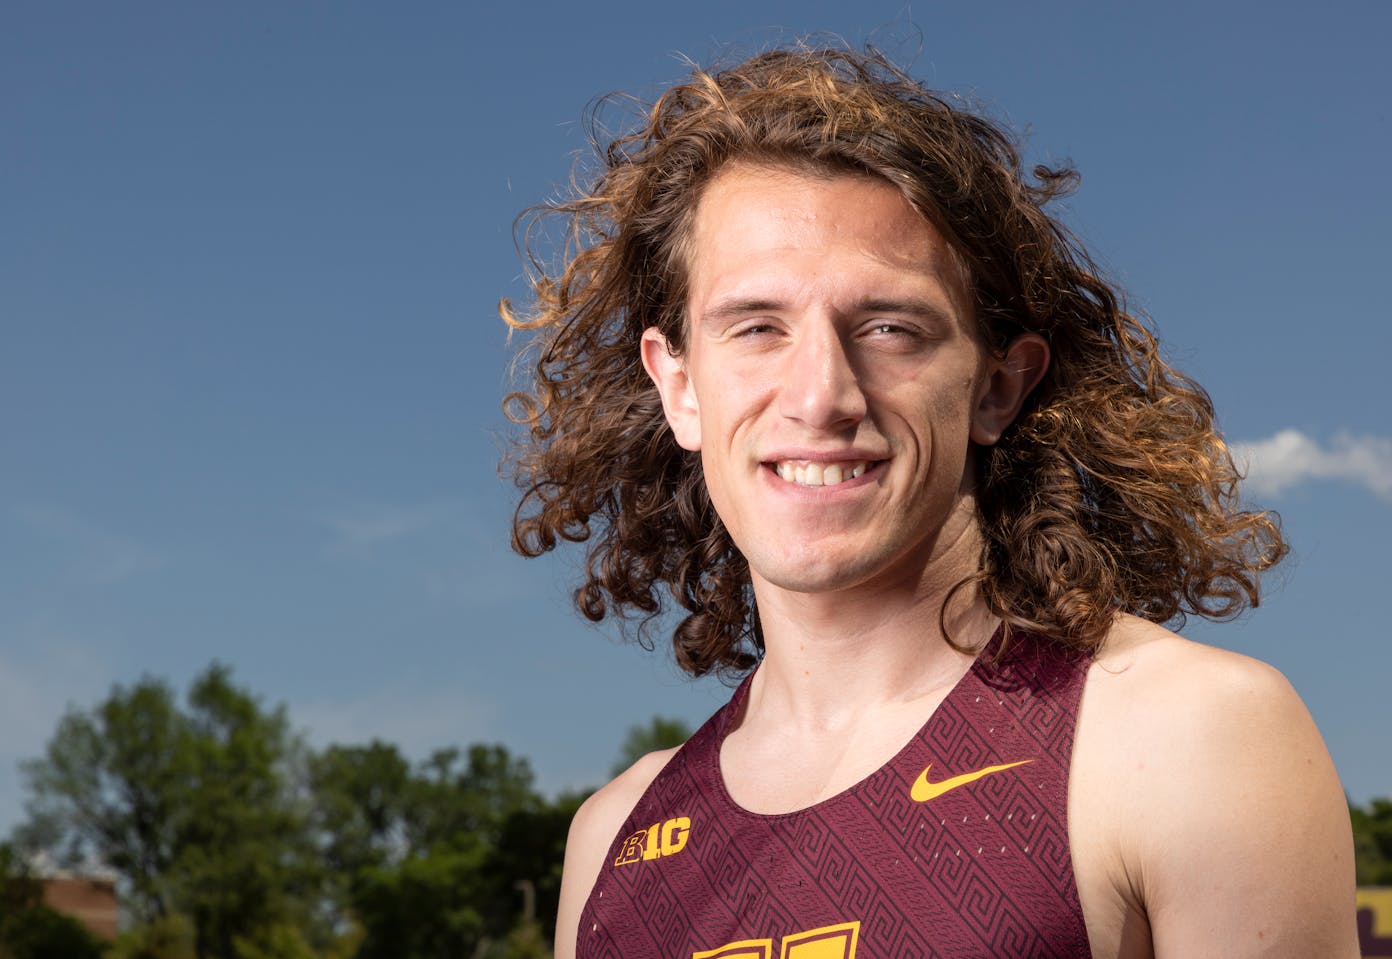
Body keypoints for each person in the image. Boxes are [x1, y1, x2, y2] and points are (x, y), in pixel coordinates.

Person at [503, 46, 1358, 958]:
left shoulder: (1185, 740)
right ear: (679, 387)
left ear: (998, 386)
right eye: (756, 328)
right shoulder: (614, 841)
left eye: (888, 328)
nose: (820, 393)